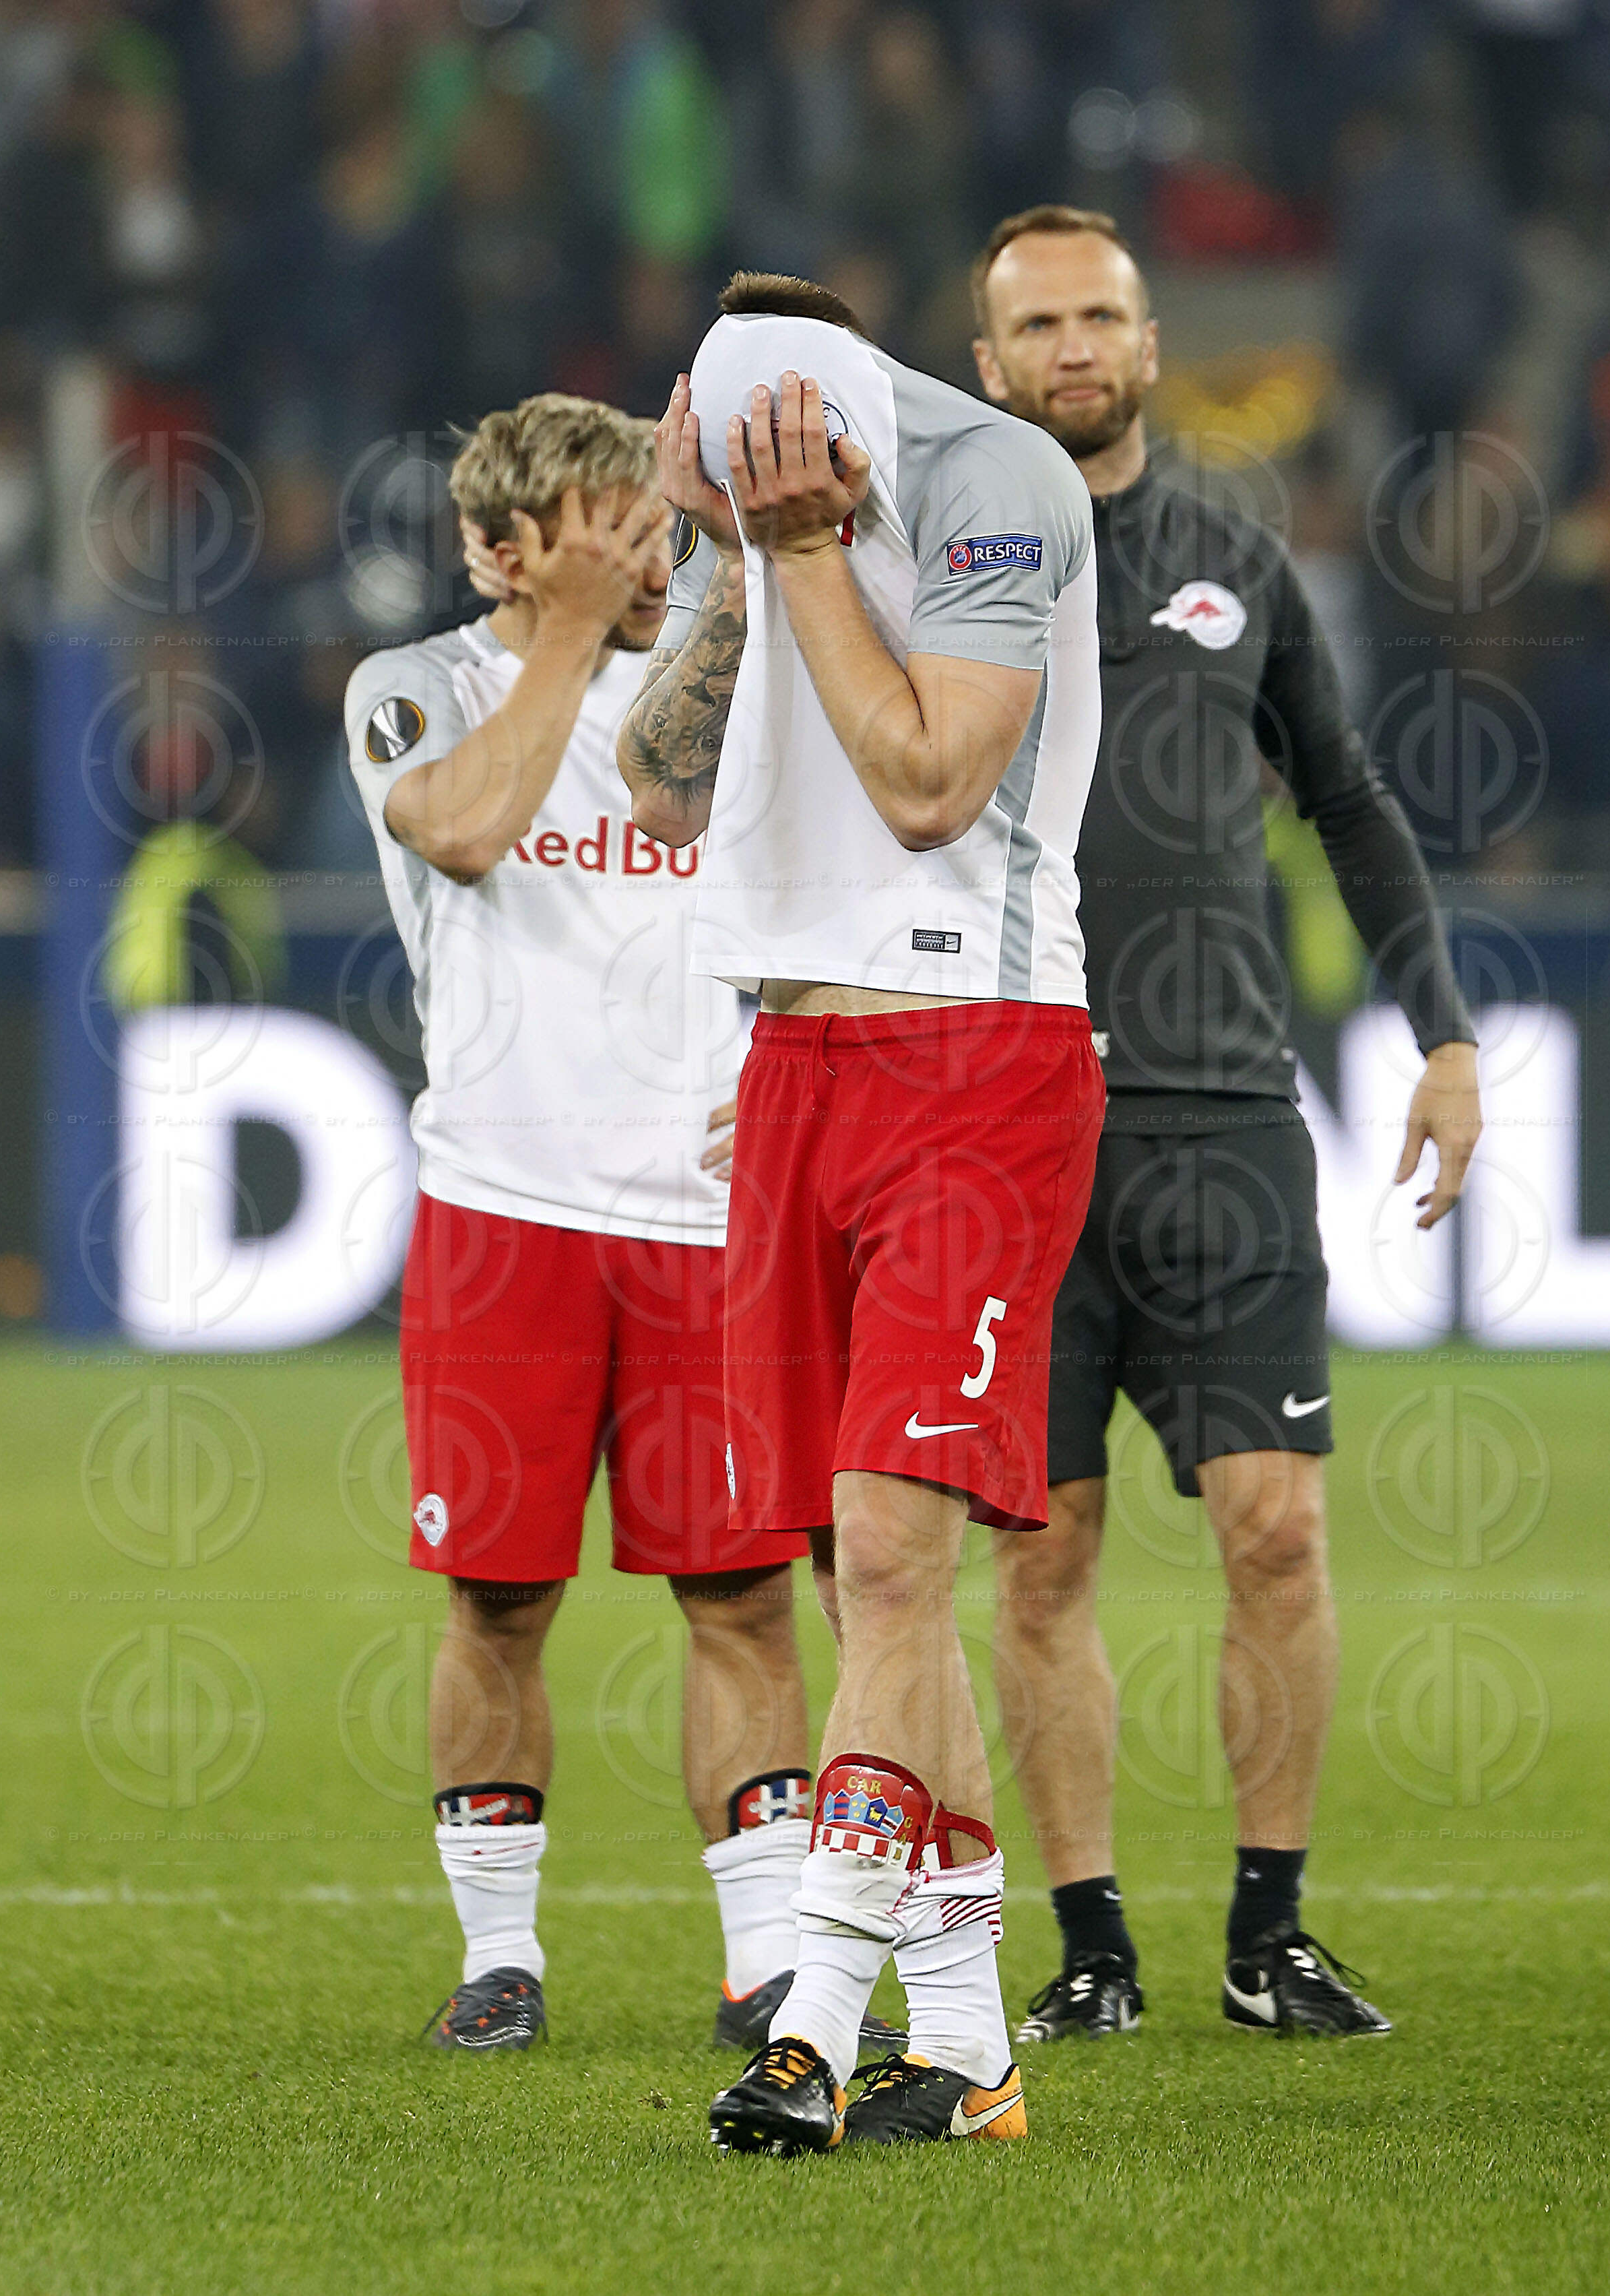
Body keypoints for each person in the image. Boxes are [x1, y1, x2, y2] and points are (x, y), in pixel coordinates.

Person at [968, 205, 1484, 2042]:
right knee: (1044, 1553)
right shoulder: (939, 571)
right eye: (1040, 324)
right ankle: (1090, 1947)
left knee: (1276, 1529)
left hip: (1223, 1109)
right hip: (1009, 1115)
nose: (1077, 345)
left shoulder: (1233, 553)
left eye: (1103, 313)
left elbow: (1346, 796)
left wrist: (1441, 1035)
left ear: (1153, 341)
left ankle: (1268, 1937)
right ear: (989, 363)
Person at [618, 273, 1105, 2151]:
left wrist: (807, 547)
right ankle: (972, 2044)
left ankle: (817, 2019)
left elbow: (926, 781)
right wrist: (729, 557)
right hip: (797, 1073)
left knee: (897, 1568)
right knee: (856, 1577)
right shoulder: (762, 512)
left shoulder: (1000, 478)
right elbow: (665, 795)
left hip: (975, 1063)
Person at [345, 393, 824, 2057]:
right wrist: (558, 635)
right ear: (499, 547)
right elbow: (470, 831)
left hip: (710, 1222)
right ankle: (502, 1958)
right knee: (496, 1600)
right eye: (606, 528)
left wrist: (789, 1071)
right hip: (503, 1213)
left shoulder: (734, 691)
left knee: (744, 1596)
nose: (649, 556)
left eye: (657, 523)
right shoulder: (416, 692)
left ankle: (764, 1961)